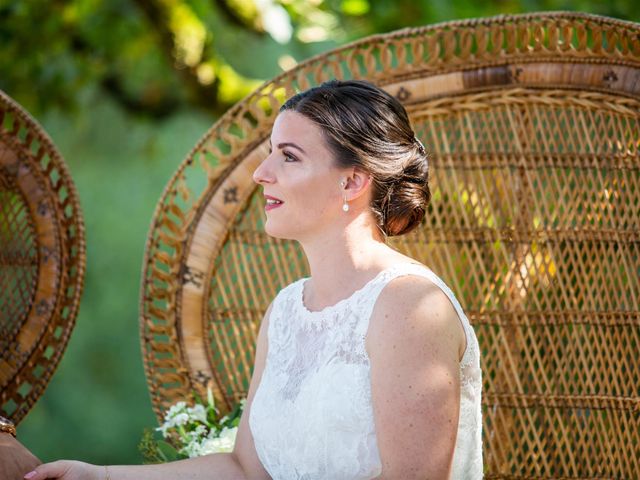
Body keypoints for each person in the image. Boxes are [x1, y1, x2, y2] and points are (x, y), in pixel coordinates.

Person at [24, 79, 482, 480]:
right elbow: (245, 470)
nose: (262, 175)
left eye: (289, 156)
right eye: (269, 155)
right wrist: (100, 476)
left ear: (351, 182)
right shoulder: (286, 311)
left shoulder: (410, 307)